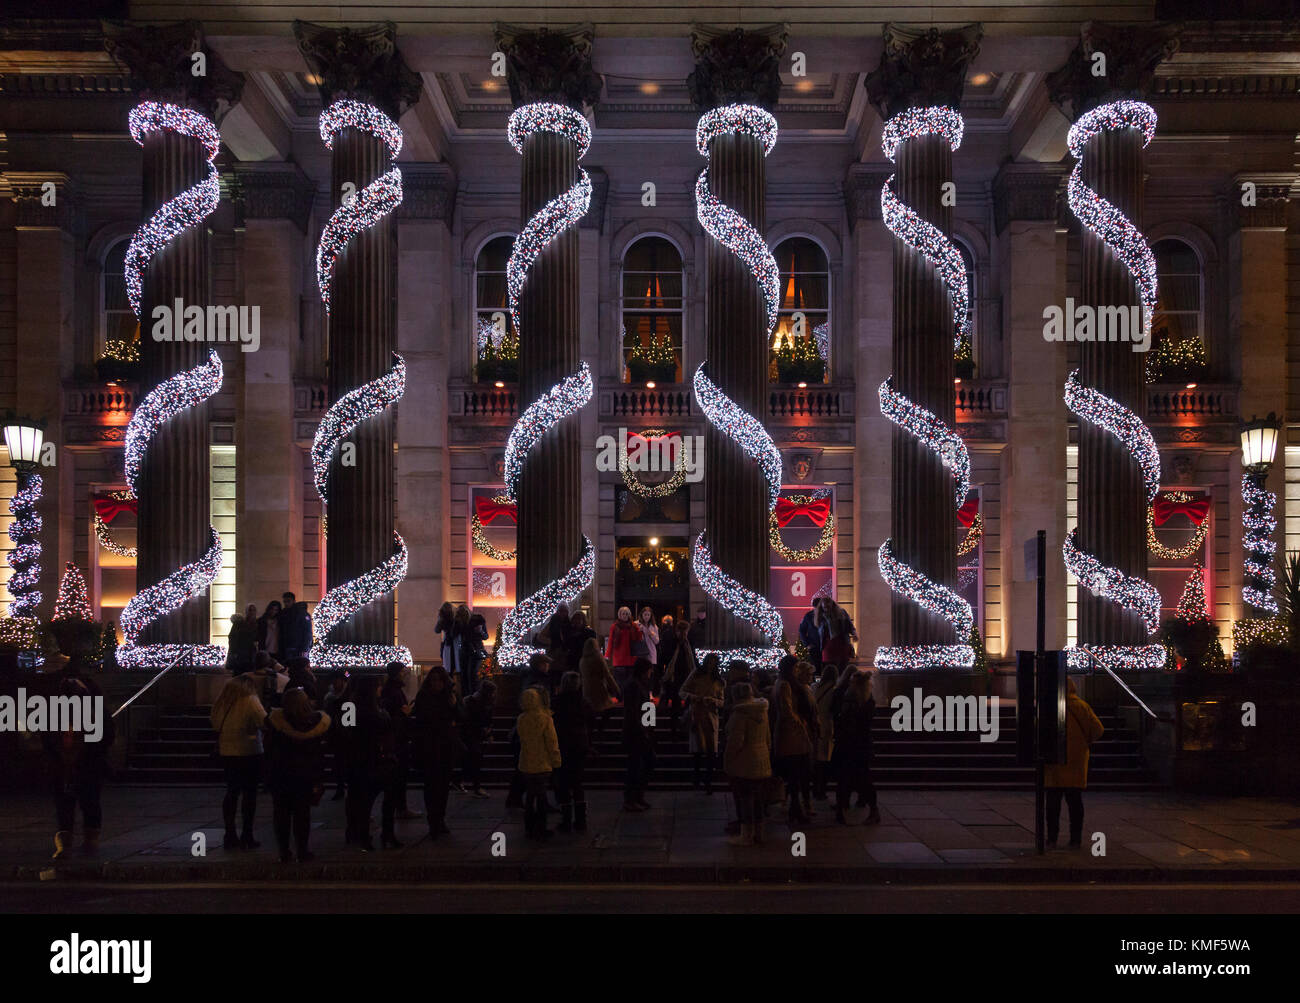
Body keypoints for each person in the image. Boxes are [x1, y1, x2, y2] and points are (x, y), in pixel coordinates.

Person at [44, 676, 114, 859]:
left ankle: (84, 841)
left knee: (83, 803)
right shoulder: (60, 712)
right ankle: (75, 841)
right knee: (70, 805)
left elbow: (106, 736)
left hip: (83, 764)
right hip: (69, 765)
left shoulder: (91, 712)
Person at [264, 687, 331, 863]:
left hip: (281, 774)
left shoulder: (275, 722)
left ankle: (284, 851)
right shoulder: (316, 723)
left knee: (281, 814)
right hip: (305, 775)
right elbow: (318, 753)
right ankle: (302, 850)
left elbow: (269, 748)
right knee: (302, 814)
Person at [1044, 677, 1104, 849]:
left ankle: (1052, 838)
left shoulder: (1050, 706)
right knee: (1075, 803)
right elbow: (1098, 730)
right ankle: (1075, 839)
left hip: (1055, 760)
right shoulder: (1081, 706)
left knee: (1053, 804)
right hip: (1076, 762)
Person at [210, 673, 266, 850]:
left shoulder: (222, 702)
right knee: (249, 794)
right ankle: (247, 834)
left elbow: (215, 723)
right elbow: (263, 721)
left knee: (232, 792)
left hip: (227, 751)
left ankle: (230, 832)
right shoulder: (250, 700)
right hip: (248, 751)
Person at [344, 676, 400, 850]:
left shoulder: (354, 706)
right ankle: (377, 835)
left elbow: (347, 732)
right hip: (370, 758)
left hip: (367, 758)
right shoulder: (372, 708)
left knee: (368, 801)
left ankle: (368, 835)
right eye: (378, 686)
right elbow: (348, 733)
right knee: (371, 800)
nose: (380, 689)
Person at [413, 666, 463, 840]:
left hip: (445, 746)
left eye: (439, 680)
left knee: (442, 786)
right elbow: (421, 720)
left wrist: (454, 706)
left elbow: (461, 717)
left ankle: (439, 819)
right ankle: (433, 820)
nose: (436, 684)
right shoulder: (424, 697)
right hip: (430, 747)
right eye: (433, 680)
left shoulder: (449, 697)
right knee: (431, 786)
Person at [724, 682, 771, 847]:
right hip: (761, 758)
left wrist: (727, 759)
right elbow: (767, 737)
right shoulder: (762, 710)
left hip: (744, 761)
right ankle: (759, 832)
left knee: (745, 798)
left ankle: (747, 835)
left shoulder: (740, 714)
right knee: (758, 798)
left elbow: (736, 742)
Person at [831, 668, 879, 825]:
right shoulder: (867, 701)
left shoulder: (851, 700)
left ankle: (841, 811)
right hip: (861, 745)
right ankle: (872, 810)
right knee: (862, 779)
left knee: (845, 779)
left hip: (849, 744)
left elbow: (842, 720)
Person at [771, 656, 814, 826]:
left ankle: (795, 811)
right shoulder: (784, 685)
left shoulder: (783, 683)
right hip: (791, 736)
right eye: (795, 668)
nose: (797, 671)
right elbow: (786, 711)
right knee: (796, 775)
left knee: (795, 778)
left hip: (790, 735)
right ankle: (796, 812)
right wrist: (801, 722)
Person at [517, 687, 562, 840]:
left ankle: (529, 827)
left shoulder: (521, 719)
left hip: (526, 762)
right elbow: (551, 742)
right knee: (541, 797)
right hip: (542, 762)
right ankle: (541, 828)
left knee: (530, 796)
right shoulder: (544, 718)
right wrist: (556, 761)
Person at [552, 671, 594, 832]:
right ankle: (581, 820)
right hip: (580, 745)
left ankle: (567, 819)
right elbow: (591, 721)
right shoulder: (583, 702)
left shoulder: (558, 702)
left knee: (563, 782)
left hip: (563, 745)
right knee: (577, 782)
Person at [680, 652, 725, 793]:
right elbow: (682, 691)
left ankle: (708, 781)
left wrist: (714, 701)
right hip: (697, 715)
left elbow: (722, 701)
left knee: (711, 751)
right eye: (710, 662)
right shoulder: (696, 675)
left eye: (714, 663)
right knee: (698, 751)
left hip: (711, 717)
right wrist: (694, 697)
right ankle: (697, 780)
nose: (712, 665)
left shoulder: (719, 681)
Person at [380, 662, 418, 816]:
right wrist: (406, 712)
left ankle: (400, 807)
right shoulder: (393, 691)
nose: (405, 674)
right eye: (403, 671)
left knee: (398, 776)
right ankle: (400, 808)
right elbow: (396, 712)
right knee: (398, 776)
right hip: (397, 738)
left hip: (397, 736)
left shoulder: (391, 689)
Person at [621, 658, 655, 811]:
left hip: (642, 729)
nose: (651, 672)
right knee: (635, 765)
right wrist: (645, 728)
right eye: (649, 669)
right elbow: (634, 710)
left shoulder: (640, 684)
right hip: (636, 731)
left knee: (642, 763)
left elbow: (647, 706)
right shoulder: (634, 685)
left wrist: (650, 726)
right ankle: (631, 798)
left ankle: (637, 796)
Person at [655, 617, 693, 735]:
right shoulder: (679, 643)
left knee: (679, 705)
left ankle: (677, 727)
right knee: (678, 704)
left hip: (681, 677)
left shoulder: (685, 642)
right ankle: (676, 728)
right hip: (677, 677)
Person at [460, 678, 496, 798]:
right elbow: (475, 720)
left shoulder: (478, 701)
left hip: (474, 735)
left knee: (472, 759)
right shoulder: (478, 703)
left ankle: (461, 780)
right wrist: (486, 731)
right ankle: (476, 786)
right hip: (473, 735)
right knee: (476, 759)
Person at [579, 635, 620, 738]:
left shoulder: (583, 660)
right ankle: (600, 729)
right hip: (599, 689)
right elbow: (607, 675)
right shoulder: (597, 658)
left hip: (587, 689)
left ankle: (591, 735)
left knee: (591, 712)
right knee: (609, 708)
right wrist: (616, 689)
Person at [811, 665, 839, 801]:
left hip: (815, 725)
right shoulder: (834, 690)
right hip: (827, 726)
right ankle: (821, 789)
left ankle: (815, 787)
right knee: (824, 760)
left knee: (817, 759)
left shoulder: (814, 687)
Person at [322, 671, 350, 800]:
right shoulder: (330, 697)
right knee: (339, 762)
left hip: (343, 733)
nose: (334, 683)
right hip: (337, 733)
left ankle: (343, 787)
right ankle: (340, 787)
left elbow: (349, 720)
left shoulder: (343, 697)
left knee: (343, 762)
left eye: (336, 681)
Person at [605, 605, 643, 690]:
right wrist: (607, 654)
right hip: (619, 658)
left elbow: (638, 639)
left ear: (629, 615)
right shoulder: (614, 626)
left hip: (631, 657)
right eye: (623, 614)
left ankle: (627, 697)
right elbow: (611, 640)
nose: (625, 616)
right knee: (619, 681)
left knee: (630, 681)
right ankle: (620, 697)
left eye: (626, 614)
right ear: (619, 615)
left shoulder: (634, 626)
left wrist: (640, 631)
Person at [820, 598, 858, 673]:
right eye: (824, 607)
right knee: (829, 668)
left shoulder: (842, 613)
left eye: (828, 607)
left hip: (841, 643)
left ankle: (841, 682)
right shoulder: (820, 616)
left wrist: (854, 634)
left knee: (842, 667)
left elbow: (850, 626)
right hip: (828, 644)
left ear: (832, 605)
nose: (826, 609)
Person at [279, 592, 313, 661]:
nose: (286, 604)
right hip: (288, 646)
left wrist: (305, 648)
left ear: (294, 601)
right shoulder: (284, 613)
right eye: (285, 602)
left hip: (298, 647)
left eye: (288, 601)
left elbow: (307, 632)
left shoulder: (301, 613)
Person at [543, 603, 574, 673]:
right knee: (553, 673)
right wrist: (552, 642)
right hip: (553, 653)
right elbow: (540, 637)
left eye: (565, 611)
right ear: (557, 611)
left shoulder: (569, 623)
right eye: (560, 611)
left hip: (565, 654)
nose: (563, 613)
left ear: (567, 612)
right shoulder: (552, 623)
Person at [465, 611, 489, 694]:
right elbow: (467, 639)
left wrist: (481, 631)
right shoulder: (468, 628)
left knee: (476, 674)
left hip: (478, 651)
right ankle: (474, 693)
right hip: (471, 653)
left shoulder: (480, 625)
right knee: (472, 675)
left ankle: (476, 692)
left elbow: (486, 636)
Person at [798, 600, 824, 676]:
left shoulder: (826, 616)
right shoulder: (809, 616)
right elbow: (802, 630)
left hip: (825, 647)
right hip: (814, 646)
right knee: (816, 668)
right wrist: (808, 644)